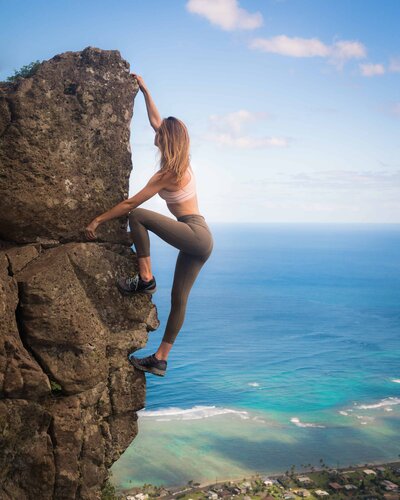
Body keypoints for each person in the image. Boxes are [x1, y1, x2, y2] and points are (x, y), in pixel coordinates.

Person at [85, 74, 214, 378]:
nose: (154, 133)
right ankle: (160, 359)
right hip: (200, 238)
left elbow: (131, 206)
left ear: (165, 140)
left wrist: (98, 219)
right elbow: (158, 121)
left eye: (159, 133)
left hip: (194, 233)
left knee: (138, 216)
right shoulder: (183, 161)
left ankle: (145, 278)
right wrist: (145, 90)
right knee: (178, 300)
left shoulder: (167, 174)